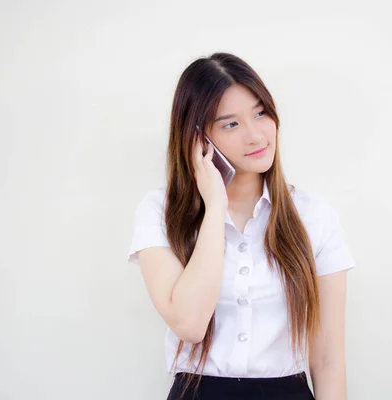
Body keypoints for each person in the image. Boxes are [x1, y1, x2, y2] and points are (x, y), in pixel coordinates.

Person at [127, 52, 357, 400]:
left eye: (261, 113)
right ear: (197, 139)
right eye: (230, 124)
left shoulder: (314, 216)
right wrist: (214, 206)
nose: (255, 135)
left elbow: (327, 360)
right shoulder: (160, 212)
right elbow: (189, 324)